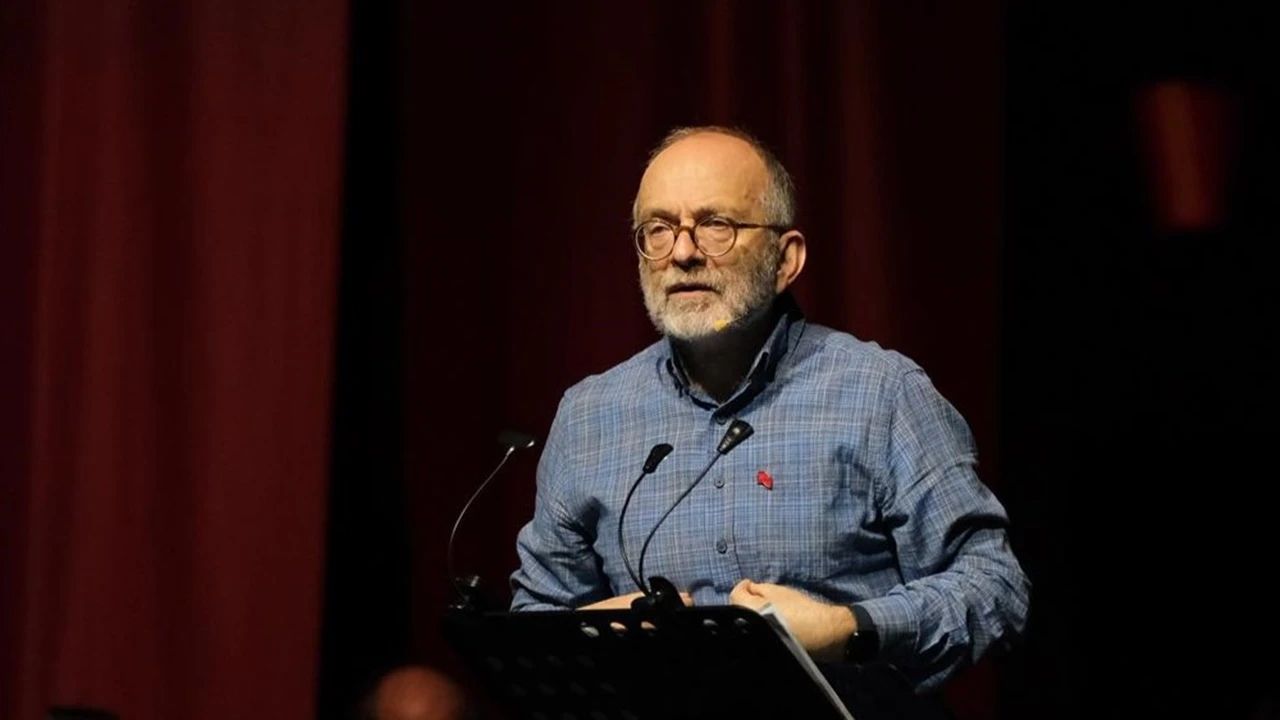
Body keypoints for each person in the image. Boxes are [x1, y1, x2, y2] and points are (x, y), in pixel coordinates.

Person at [508, 125, 1030, 710]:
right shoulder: (588, 418)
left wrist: (845, 629)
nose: (682, 252)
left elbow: (995, 588)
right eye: (658, 229)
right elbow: (533, 625)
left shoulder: (881, 395)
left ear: (786, 259)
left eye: (716, 225)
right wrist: (596, 632)